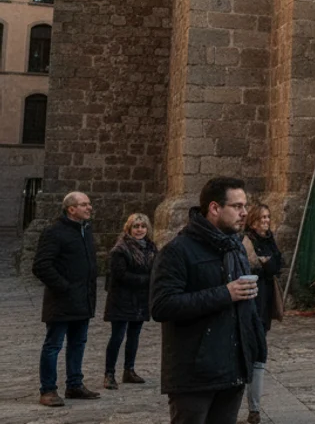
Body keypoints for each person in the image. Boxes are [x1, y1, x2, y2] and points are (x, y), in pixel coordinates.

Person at [151, 177, 267, 424]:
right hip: (194, 375)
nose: (244, 213)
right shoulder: (178, 250)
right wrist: (225, 293)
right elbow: (162, 305)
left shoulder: (235, 248)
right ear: (214, 208)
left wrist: (255, 348)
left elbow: (245, 309)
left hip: (233, 370)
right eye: (237, 206)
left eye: (245, 206)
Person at [32, 191, 101, 407]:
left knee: (78, 343)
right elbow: (41, 266)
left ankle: (74, 385)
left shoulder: (86, 230)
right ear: (71, 209)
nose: (89, 207)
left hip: (83, 300)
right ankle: (48, 390)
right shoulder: (54, 232)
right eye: (84, 204)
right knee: (53, 345)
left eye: (89, 203)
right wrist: (64, 287)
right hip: (61, 301)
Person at [103, 213, 157, 390]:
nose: (139, 230)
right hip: (122, 299)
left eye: (143, 226)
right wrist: (146, 280)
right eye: (136, 226)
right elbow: (120, 275)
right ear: (129, 228)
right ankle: (109, 373)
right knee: (117, 337)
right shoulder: (121, 249)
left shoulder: (151, 248)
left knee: (134, 336)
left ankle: (129, 370)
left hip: (140, 299)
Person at [242, 204, 284, 424]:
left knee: (260, 350)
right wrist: (265, 264)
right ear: (253, 221)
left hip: (265, 300)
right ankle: (251, 408)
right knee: (251, 352)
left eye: (268, 217)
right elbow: (251, 267)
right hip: (252, 300)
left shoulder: (269, 239)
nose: (266, 221)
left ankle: (254, 409)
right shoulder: (247, 241)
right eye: (262, 218)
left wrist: (266, 263)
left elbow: (277, 264)